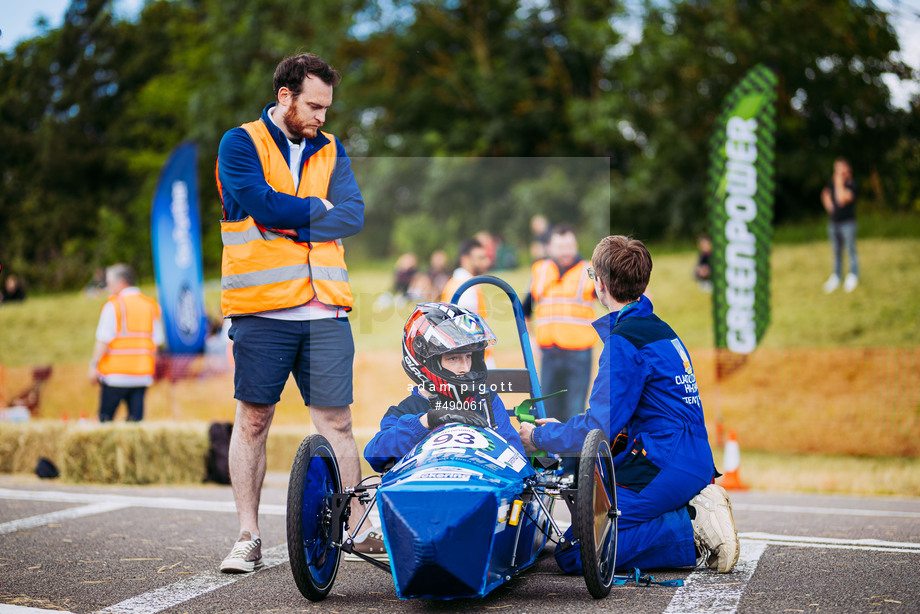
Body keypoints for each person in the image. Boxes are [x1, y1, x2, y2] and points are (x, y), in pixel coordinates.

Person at [215, 53, 366, 573]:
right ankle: (248, 537)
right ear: (286, 96)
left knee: (338, 424)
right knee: (254, 420)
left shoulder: (333, 149)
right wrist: (315, 212)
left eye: (327, 107)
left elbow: (354, 214)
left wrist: (297, 216)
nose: (323, 117)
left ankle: (358, 532)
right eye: (315, 106)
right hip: (262, 312)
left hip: (325, 310)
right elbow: (262, 205)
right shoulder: (240, 143)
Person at [518, 236, 740, 574]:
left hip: (664, 461)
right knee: (592, 511)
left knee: (578, 551)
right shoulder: (659, 329)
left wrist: (539, 438)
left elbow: (598, 427)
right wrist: (562, 432)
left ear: (601, 285)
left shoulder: (624, 342)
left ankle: (691, 528)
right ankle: (688, 510)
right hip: (685, 455)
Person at [365, 300, 526, 482]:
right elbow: (374, 455)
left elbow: (517, 458)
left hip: (481, 491)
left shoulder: (486, 401)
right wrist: (426, 421)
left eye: (468, 357)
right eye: (453, 358)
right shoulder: (406, 410)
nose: (464, 367)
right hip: (426, 496)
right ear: (425, 362)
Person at [523, 224, 597, 444]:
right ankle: (551, 464)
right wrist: (532, 340)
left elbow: (612, 296)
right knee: (546, 409)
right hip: (549, 353)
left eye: (570, 245)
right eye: (560, 246)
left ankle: (573, 469)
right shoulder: (540, 269)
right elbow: (526, 310)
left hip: (579, 354)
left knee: (574, 411)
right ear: (549, 247)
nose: (566, 250)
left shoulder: (589, 269)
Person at [88, 264, 164, 422]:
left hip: (115, 376)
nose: (108, 287)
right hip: (141, 375)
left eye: (109, 283)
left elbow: (103, 340)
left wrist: (94, 366)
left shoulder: (114, 306)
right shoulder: (150, 306)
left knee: (105, 421)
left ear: (121, 282)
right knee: (135, 425)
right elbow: (156, 343)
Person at [821, 157, 859, 293]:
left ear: (847, 169)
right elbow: (825, 194)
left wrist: (838, 182)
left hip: (848, 223)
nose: (837, 171)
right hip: (834, 224)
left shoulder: (851, 184)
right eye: (835, 168)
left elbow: (842, 199)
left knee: (850, 250)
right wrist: (830, 207)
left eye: (839, 168)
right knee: (836, 252)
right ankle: (836, 277)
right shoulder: (832, 183)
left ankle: (853, 275)